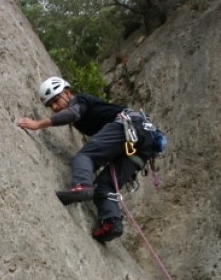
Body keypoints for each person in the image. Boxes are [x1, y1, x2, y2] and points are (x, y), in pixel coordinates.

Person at [18, 77, 153, 242]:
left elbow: (73, 113)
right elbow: (74, 116)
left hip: (129, 126)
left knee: (84, 157)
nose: (54, 107)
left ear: (67, 93)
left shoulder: (80, 100)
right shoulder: (82, 113)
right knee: (105, 186)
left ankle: (81, 185)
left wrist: (38, 124)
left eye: (55, 100)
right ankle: (111, 223)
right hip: (145, 144)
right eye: (50, 105)